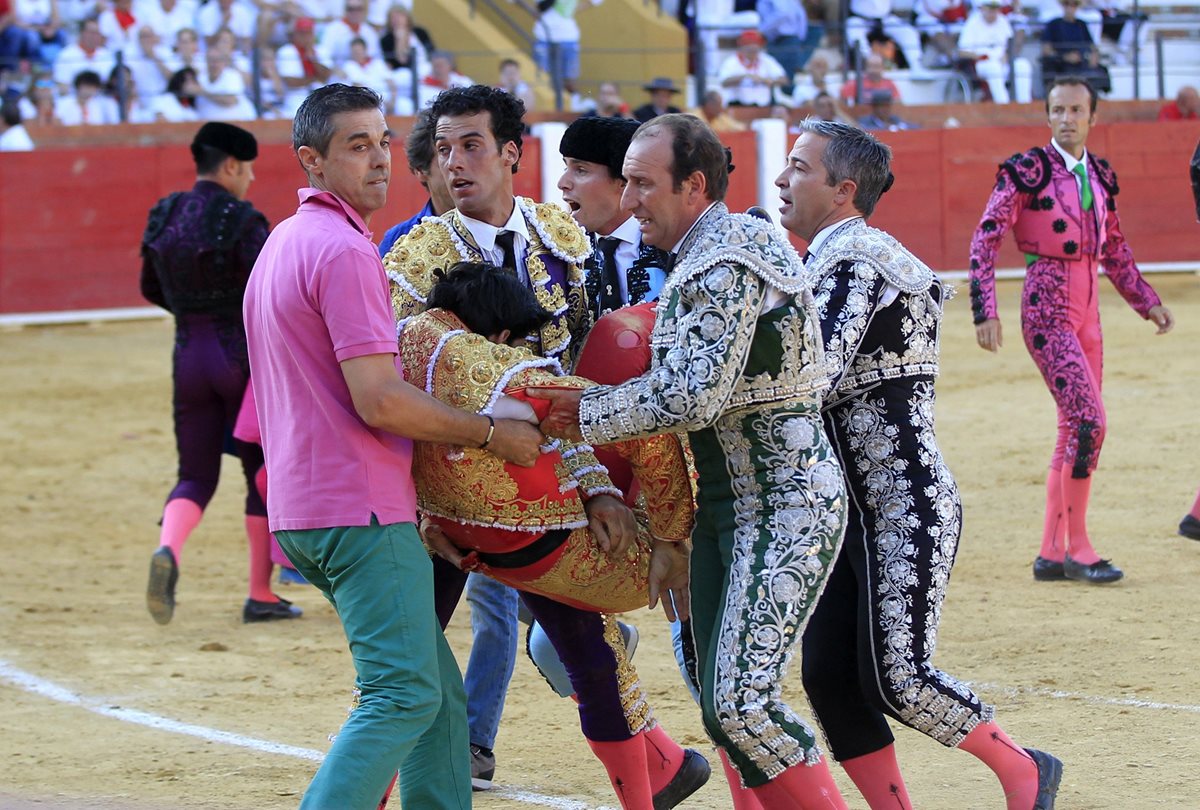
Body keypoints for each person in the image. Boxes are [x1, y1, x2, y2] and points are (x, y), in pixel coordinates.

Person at [533, 113, 852, 808]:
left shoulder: (724, 255)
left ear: (694, 184)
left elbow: (691, 398)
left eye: (644, 184)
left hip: (784, 500)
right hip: (728, 505)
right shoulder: (716, 249)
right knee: (720, 700)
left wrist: (577, 414)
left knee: (741, 704)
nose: (628, 201)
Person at [242, 83, 542, 809]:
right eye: (356, 146)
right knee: (403, 694)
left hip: (305, 507)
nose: (379, 160)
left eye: (382, 142)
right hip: (360, 511)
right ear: (312, 161)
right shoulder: (344, 252)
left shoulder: (285, 240)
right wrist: (489, 433)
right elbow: (377, 397)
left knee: (435, 698)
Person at [777, 117, 1064, 810]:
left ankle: (1025, 769)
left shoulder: (857, 262)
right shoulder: (830, 261)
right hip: (847, 508)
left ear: (844, 190)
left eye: (800, 168)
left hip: (904, 505)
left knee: (898, 677)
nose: (783, 179)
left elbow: (812, 376)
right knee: (829, 675)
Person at [969, 77, 1175, 585]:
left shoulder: (1101, 176)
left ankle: (1049, 552)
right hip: (1046, 302)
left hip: (1088, 307)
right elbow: (986, 238)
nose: (1067, 118)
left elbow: (1117, 251)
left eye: (1076, 110)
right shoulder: (1027, 171)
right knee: (1089, 422)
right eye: (1057, 109)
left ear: (1092, 117)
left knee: (1072, 426)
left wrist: (1147, 301)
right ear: (1047, 115)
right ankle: (1078, 549)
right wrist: (984, 309)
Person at [140, 123, 291, 625]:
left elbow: (149, 286)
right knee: (257, 474)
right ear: (230, 165)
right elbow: (269, 292)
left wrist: (190, 311)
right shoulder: (244, 220)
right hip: (239, 362)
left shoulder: (165, 214)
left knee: (195, 475)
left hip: (187, 357)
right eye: (246, 170)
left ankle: (169, 549)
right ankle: (259, 594)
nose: (249, 181)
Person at [556, 114, 670, 321]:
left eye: (580, 170)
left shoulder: (672, 245)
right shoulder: (559, 252)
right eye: (566, 167)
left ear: (624, 181)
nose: (562, 182)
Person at [955, 0, 1033, 104]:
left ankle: (1025, 104)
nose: (993, 12)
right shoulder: (973, 22)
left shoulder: (1002, 20)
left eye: (995, 8)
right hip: (983, 64)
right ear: (982, 8)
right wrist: (979, 56)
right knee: (993, 68)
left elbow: (1009, 45)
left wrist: (1007, 55)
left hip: (1003, 62)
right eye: (990, 8)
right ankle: (1003, 105)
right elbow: (962, 51)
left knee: (1022, 65)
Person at [1040, 0, 1111, 94]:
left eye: (1074, 4)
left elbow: (1092, 46)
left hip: (1081, 63)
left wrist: (1094, 56)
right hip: (1061, 64)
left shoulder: (1081, 25)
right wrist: (1065, 57)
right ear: (1062, 5)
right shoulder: (1053, 24)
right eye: (1067, 3)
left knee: (1100, 71)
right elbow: (1046, 49)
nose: (1070, 7)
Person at [532, 0, 599, 98]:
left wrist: (571, 10)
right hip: (544, 36)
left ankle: (569, 102)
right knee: (543, 76)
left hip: (568, 37)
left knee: (569, 78)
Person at [717, 29, 789, 108]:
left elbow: (784, 80)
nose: (753, 53)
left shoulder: (766, 60)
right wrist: (746, 77)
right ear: (742, 48)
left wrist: (768, 80)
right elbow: (724, 82)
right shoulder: (731, 61)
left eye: (755, 50)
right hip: (738, 106)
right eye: (750, 50)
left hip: (764, 107)